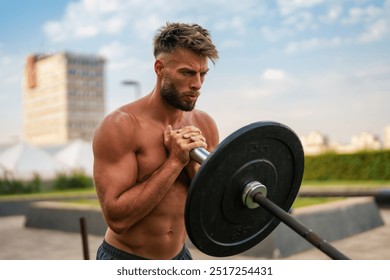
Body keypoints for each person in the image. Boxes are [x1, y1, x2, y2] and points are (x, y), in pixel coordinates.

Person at [93, 22, 220, 260]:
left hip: (180, 257)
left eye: (202, 74)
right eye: (187, 72)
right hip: (126, 259)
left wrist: (194, 167)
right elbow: (117, 219)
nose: (198, 84)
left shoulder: (205, 126)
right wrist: (174, 162)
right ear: (160, 68)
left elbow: (212, 208)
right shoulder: (121, 126)